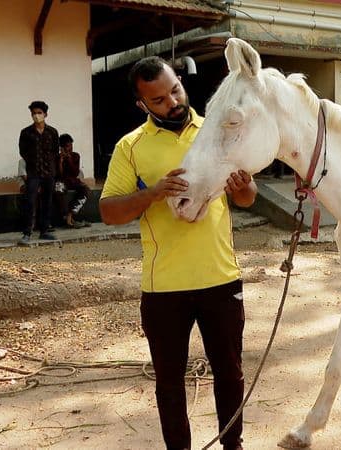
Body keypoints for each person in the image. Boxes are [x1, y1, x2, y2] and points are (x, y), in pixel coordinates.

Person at [99, 56, 256, 450]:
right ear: (142, 105)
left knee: (230, 373)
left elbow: (248, 198)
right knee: (170, 383)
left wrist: (241, 187)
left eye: (175, 89)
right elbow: (108, 212)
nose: (172, 101)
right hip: (163, 287)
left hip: (220, 279)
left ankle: (232, 444)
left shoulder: (218, 133)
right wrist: (152, 193)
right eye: (159, 99)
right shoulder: (130, 147)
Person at [18, 100, 58, 244]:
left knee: (47, 202)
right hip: (33, 173)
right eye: (34, 113)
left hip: (49, 173)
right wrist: (33, 162)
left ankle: (44, 231)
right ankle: (27, 232)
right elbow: (23, 151)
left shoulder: (52, 132)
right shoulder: (26, 132)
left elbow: (55, 151)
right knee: (30, 202)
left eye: (39, 113)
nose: (36, 116)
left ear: (45, 114)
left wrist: (52, 168)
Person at [56, 133, 91, 228]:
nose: (70, 148)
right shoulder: (57, 158)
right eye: (68, 146)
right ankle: (64, 216)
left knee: (85, 190)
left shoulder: (75, 156)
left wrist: (69, 159)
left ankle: (70, 214)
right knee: (58, 189)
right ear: (62, 147)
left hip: (73, 181)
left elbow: (75, 172)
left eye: (71, 145)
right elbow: (59, 175)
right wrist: (61, 161)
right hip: (62, 181)